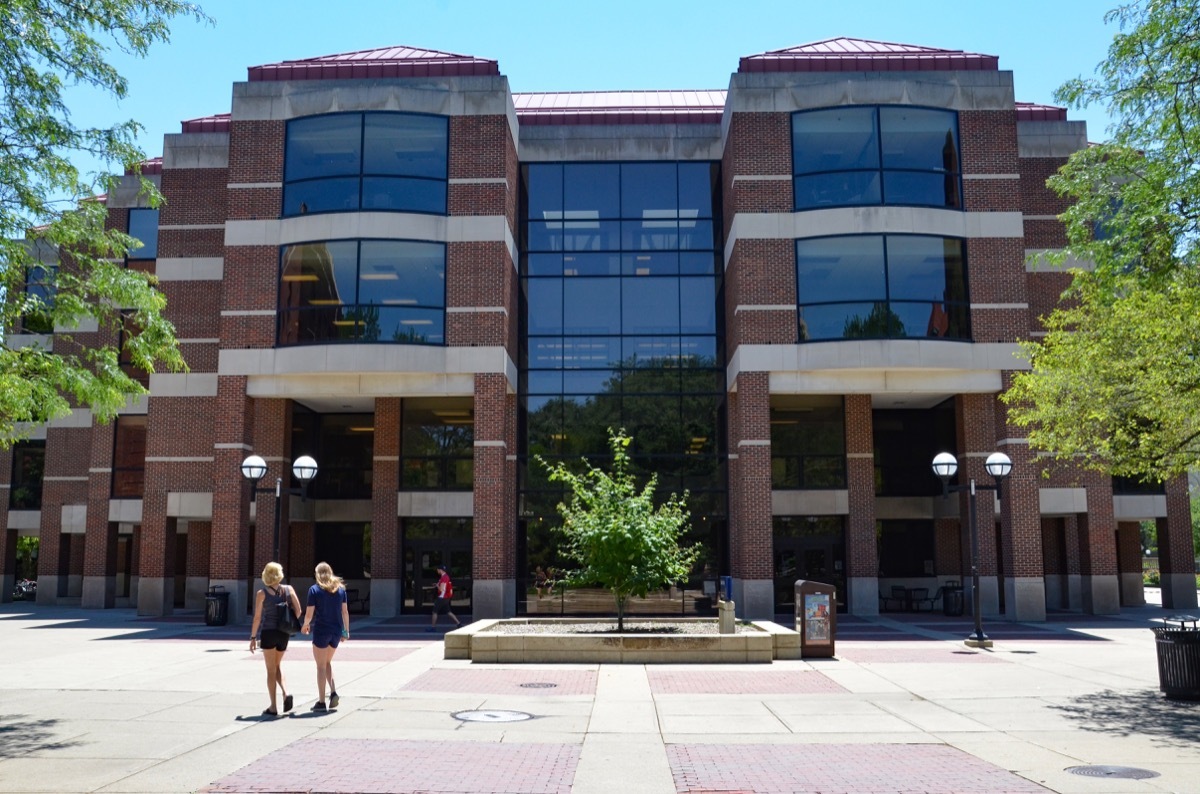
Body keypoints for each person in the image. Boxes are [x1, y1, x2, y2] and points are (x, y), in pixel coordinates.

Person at [249, 561, 302, 717]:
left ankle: (273, 706)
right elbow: (298, 611)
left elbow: (257, 618)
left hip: (268, 632)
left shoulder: (262, 593)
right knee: (278, 665)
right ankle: (286, 693)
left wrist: (253, 637)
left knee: (271, 670)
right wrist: (289, 620)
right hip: (283, 633)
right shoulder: (288, 589)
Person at [301, 561, 349, 712]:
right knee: (327, 662)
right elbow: (345, 612)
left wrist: (305, 625)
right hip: (336, 631)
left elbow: (309, 613)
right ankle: (333, 692)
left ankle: (321, 702)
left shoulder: (314, 590)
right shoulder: (340, 590)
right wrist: (346, 631)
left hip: (322, 630)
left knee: (320, 666)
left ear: (317, 574)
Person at [427, 563, 460, 631]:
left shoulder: (444, 578)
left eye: (438, 570)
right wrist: (437, 584)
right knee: (448, 612)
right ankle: (459, 624)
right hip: (446, 597)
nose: (437, 571)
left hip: (442, 597)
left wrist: (437, 586)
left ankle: (433, 627)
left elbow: (441, 589)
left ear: (440, 570)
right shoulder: (445, 576)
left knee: (434, 612)